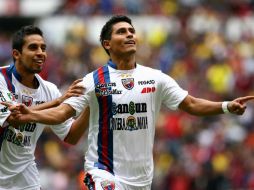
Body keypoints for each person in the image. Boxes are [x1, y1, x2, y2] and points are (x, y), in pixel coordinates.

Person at [4, 15, 254, 190]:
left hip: (141, 178)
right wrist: (32, 114)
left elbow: (190, 104)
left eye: (131, 31)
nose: (130, 34)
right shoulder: (93, 81)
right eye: (122, 31)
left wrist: (225, 106)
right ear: (107, 44)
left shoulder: (155, 78)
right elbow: (61, 114)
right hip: (102, 171)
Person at [0, 25, 90, 190]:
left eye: (43, 48)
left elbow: (71, 136)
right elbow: (15, 119)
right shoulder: (2, 80)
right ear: (16, 54)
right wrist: (58, 102)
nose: (40, 52)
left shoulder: (49, 90)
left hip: (27, 181)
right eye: (33, 47)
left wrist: (92, 107)